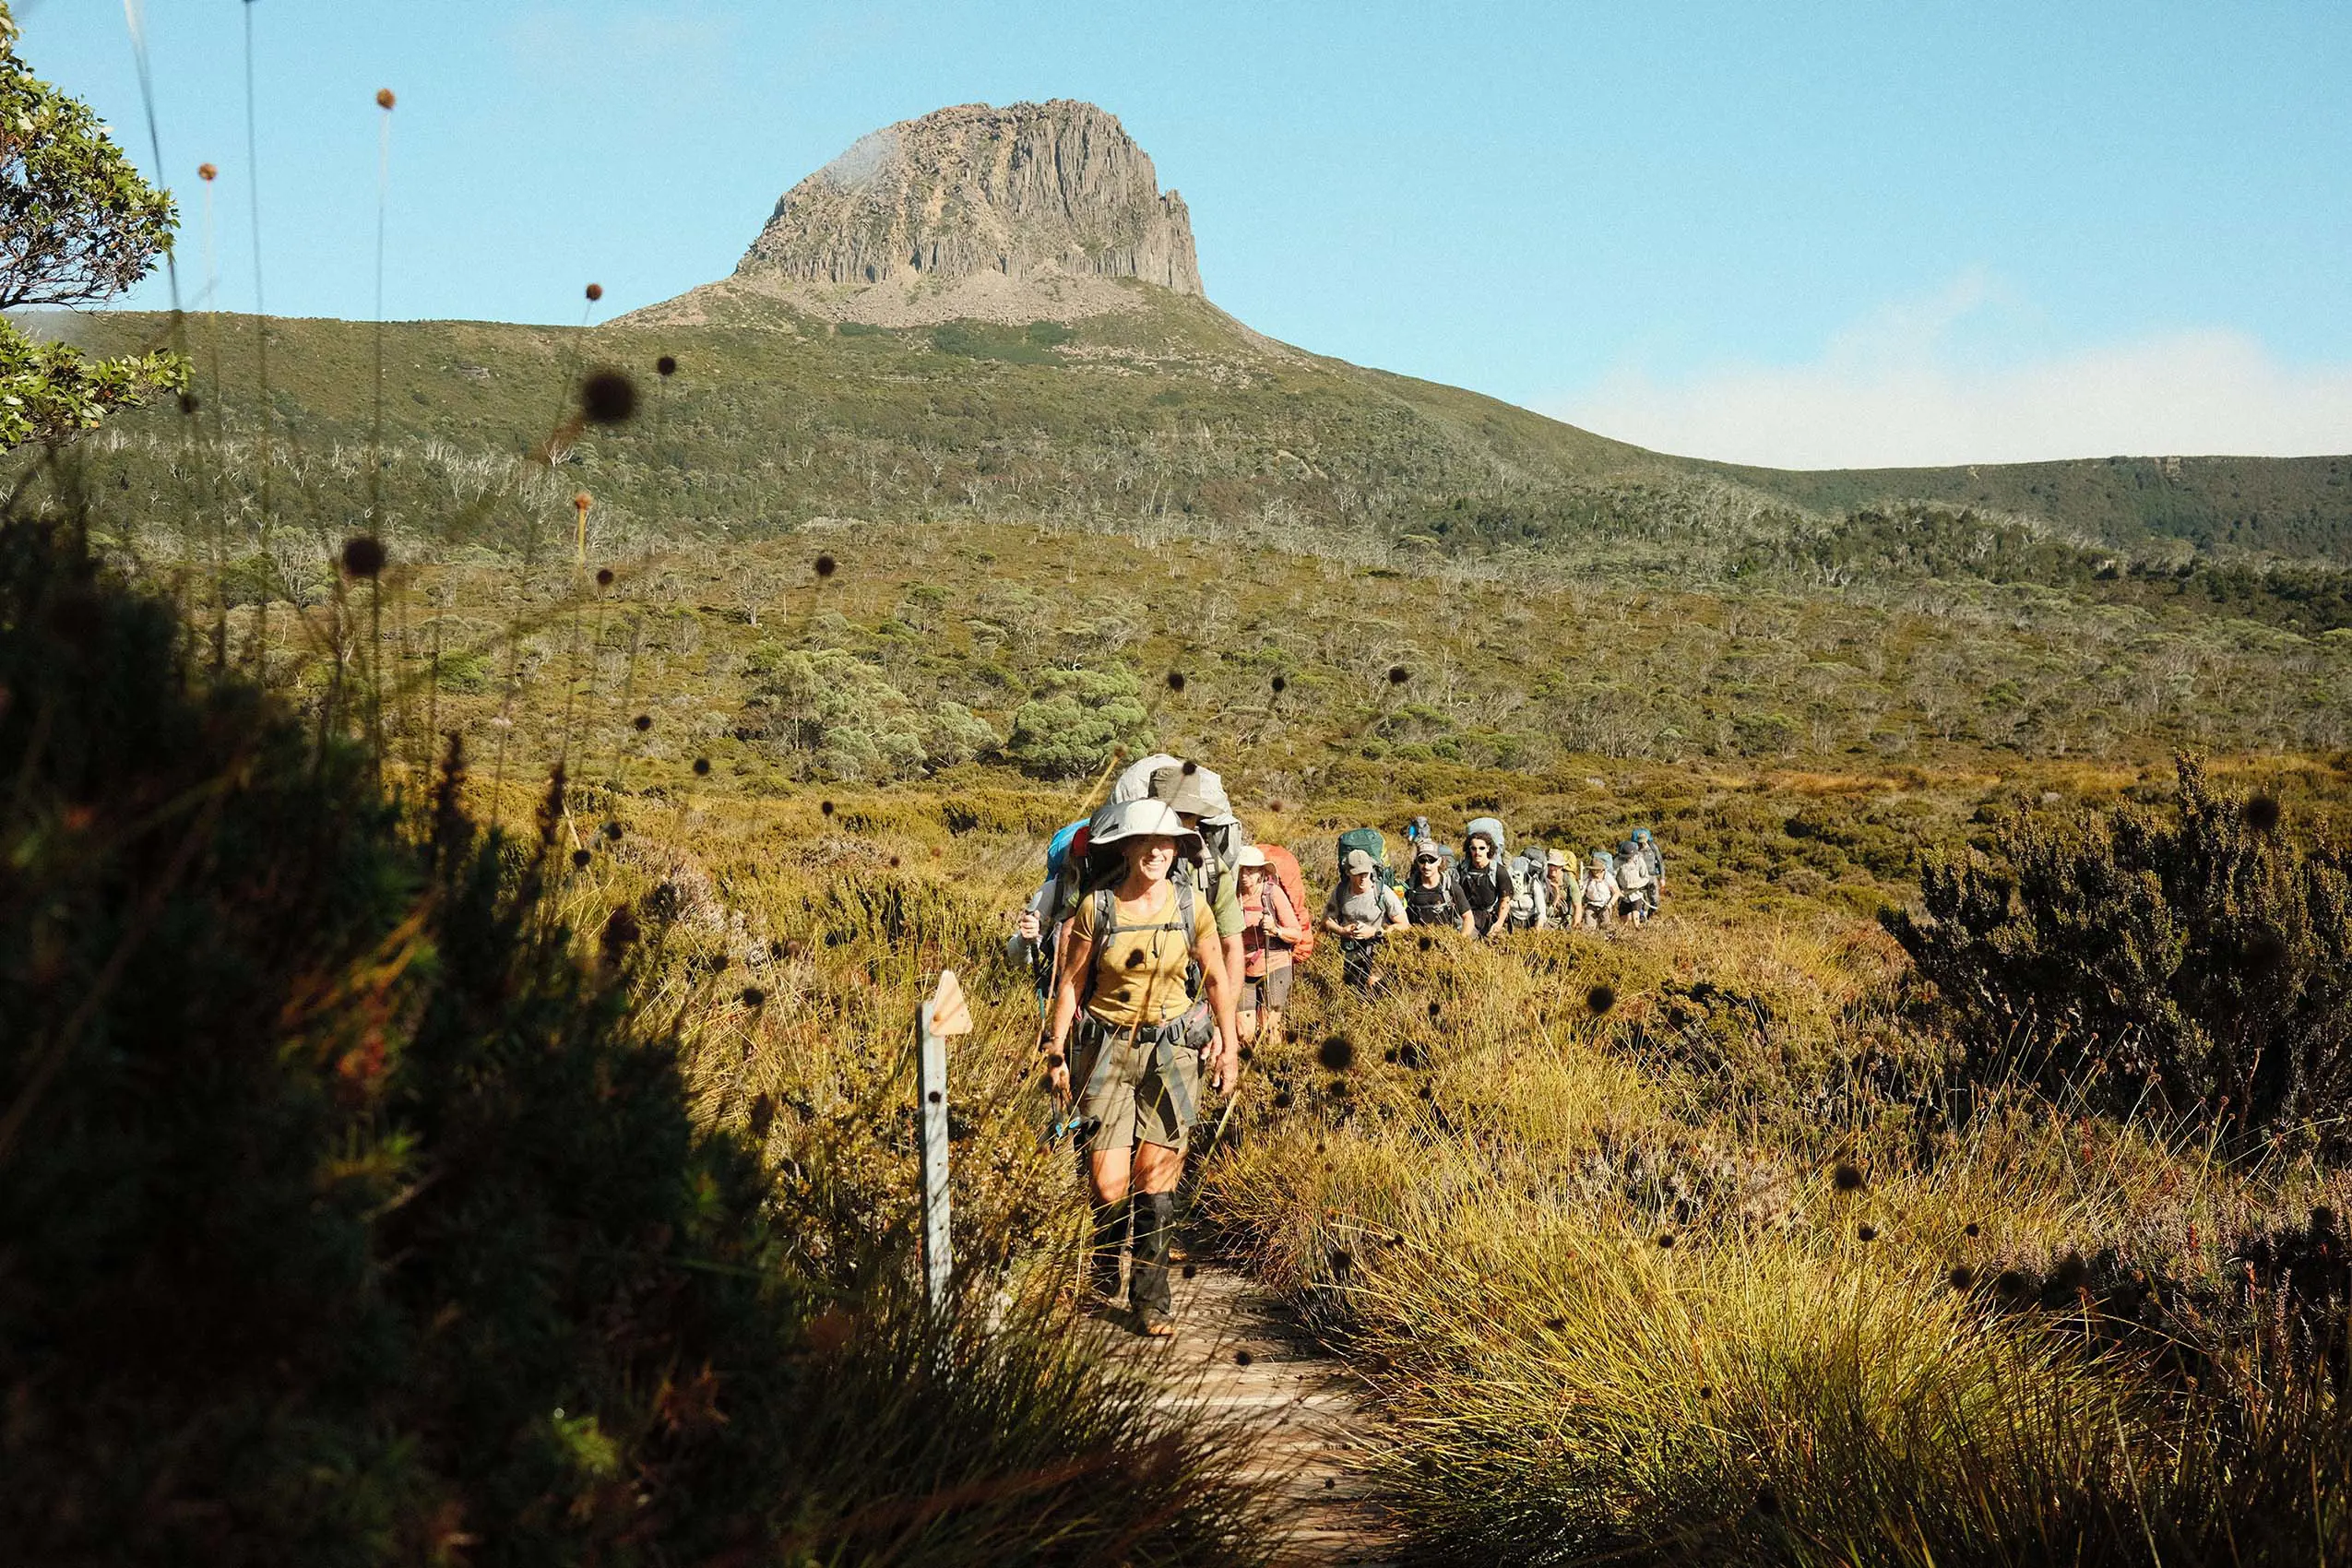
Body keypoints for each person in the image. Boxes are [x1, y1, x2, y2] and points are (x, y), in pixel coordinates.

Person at [1044, 798, 1241, 1336]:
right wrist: (1056, 1050)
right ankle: (1108, 1263)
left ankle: (1151, 1301)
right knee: (1109, 1185)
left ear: (1178, 849)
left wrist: (1229, 1047)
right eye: (1147, 842)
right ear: (1127, 848)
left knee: (1155, 1177)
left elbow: (1220, 980)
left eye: (1167, 843)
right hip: (1106, 1049)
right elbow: (1071, 985)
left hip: (1172, 1051)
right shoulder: (1096, 909)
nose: (1157, 851)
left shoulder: (1191, 906)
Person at [1235, 844, 1303, 1051]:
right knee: (1243, 1032)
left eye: (1251, 870)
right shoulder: (1232, 896)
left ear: (1261, 873)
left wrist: (1276, 930)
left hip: (1275, 964)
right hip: (1243, 968)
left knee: (1269, 1028)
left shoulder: (1272, 894)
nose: (1245, 874)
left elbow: (1296, 933)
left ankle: (1272, 1066)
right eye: (1242, 869)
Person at [1323, 848, 1408, 992]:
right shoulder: (1341, 892)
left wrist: (1376, 932)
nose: (1362, 878)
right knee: (1353, 992)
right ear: (1348, 873)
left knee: (1373, 986)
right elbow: (1326, 919)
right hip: (1352, 953)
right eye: (1357, 874)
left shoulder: (1382, 892)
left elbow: (1405, 925)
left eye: (1366, 873)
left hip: (1381, 951)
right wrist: (1342, 931)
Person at [1457, 822, 1515, 941]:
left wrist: (1499, 923)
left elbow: (1505, 899)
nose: (1477, 852)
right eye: (1473, 848)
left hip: (1491, 916)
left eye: (1481, 848)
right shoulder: (1462, 869)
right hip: (1468, 917)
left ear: (1488, 848)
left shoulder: (1498, 871)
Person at [1402, 845, 1473, 932]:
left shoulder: (1449, 885)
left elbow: (1468, 918)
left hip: (1446, 939)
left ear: (1439, 861)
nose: (1426, 866)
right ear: (1417, 862)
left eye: (1431, 861)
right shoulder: (1409, 886)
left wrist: (1460, 941)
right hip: (1416, 939)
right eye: (1422, 861)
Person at [1574, 851, 1621, 930]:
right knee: (1589, 927)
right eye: (1593, 870)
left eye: (1597, 870)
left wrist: (1610, 904)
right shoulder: (1587, 876)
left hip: (1605, 906)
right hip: (1591, 905)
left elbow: (1616, 892)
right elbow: (1582, 892)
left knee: (1606, 927)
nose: (1595, 873)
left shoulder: (1608, 877)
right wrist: (1580, 889)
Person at [1615, 838, 1655, 925]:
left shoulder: (1639, 861)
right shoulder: (1618, 861)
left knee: (1635, 917)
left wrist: (1636, 885)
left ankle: (1638, 932)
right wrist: (1617, 889)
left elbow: (1646, 877)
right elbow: (1613, 876)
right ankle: (1623, 935)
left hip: (1636, 894)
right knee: (1623, 919)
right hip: (1623, 894)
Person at [1632, 827, 1665, 913]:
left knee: (1655, 900)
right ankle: (1642, 919)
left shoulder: (1653, 848)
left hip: (1652, 876)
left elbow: (1660, 862)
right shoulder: (1635, 850)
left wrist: (1662, 878)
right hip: (1640, 877)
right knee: (1641, 900)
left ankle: (1650, 914)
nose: (1641, 844)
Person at [1543, 849, 1574, 926]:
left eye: (1556, 866)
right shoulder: (1542, 879)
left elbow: (1577, 905)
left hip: (1563, 920)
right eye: (1550, 865)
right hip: (1545, 918)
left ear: (1561, 867)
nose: (1553, 868)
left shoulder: (1568, 881)